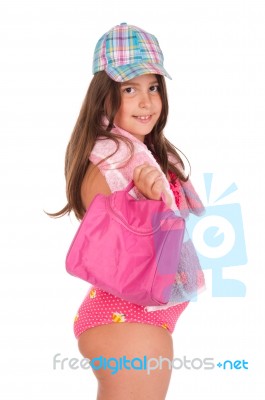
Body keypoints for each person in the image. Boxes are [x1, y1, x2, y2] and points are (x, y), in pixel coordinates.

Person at [50, 23, 205, 400]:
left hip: (142, 317)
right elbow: (106, 223)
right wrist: (144, 195)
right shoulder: (109, 160)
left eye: (153, 87)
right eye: (129, 89)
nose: (147, 101)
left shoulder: (146, 153)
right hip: (124, 319)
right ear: (103, 98)